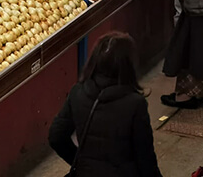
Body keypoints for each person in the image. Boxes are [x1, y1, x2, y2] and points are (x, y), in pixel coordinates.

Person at [49, 32, 162, 177]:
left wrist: (80, 162)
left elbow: (56, 137)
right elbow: (145, 158)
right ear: (128, 65)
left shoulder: (77, 92)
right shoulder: (135, 104)